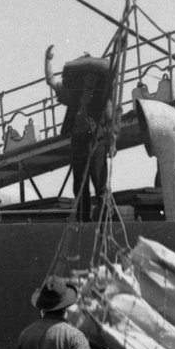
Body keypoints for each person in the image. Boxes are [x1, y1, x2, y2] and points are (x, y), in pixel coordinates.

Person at [44, 46, 114, 221]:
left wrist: (112, 143)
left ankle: (107, 218)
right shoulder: (73, 96)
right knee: (79, 184)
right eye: (86, 75)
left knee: (99, 182)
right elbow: (51, 81)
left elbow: (111, 121)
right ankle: (84, 220)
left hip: (96, 141)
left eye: (92, 75)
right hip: (79, 141)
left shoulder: (102, 98)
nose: (89, 78)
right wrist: (48, 60)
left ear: (97, 78)